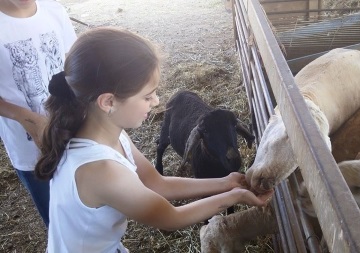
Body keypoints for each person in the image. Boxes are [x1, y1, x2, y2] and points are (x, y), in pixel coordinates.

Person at [35, 27, 273, 253]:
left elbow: (157, 184)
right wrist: (236, 196)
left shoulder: (108, 133)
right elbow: (171, 217)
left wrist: (226, 182)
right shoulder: (100, 169)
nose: (157, 102)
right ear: (108, 102)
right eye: (147, 96)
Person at [0, 0, 77, 228]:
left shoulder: (53, 10)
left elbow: (71, 66)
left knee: (92, 210)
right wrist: (27, 117)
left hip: (73, 134)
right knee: (59, 223)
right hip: (30, 148)